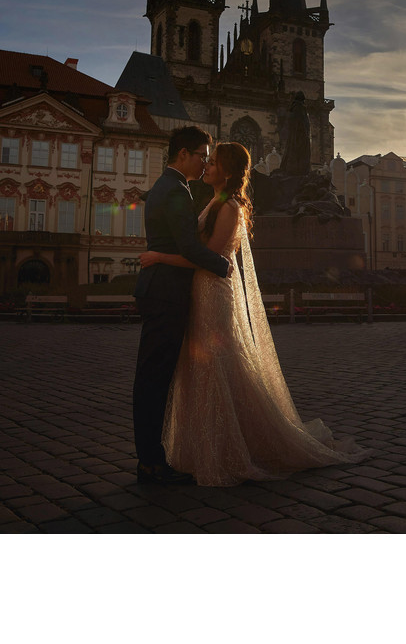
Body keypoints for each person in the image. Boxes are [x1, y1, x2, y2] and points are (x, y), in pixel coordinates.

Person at [141, 141, 367, 486]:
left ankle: (226, 448)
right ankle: (203, 445)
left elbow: (208, 258)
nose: (207, 167)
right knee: (206, 368)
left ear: (227, 171)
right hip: (200, 292)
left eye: (213, 163)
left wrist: (159, 257)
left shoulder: (229, 206)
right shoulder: (215, 202)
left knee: (218, 367)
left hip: (212, 293)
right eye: (207, 160)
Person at [132, 126, 231, 485]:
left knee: (154, 377)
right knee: (154, 380)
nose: (205, 160)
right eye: (202, 154)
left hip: (161, 289)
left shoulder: (173, 186)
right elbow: (188, 247)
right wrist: (223, 265)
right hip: (165, 292)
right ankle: (151, 463)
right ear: (184, 154)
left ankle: (152, 458)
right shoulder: (174, 190)